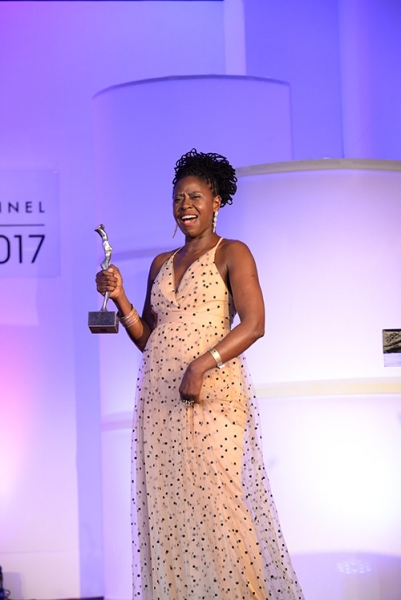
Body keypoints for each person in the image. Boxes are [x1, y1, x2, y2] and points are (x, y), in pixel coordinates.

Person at [96, 149, 304, 600]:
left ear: (216, 202)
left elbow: (254, 324)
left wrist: (201, 364)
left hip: (211, 394)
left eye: (195, 196)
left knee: (220, 508)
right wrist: (121, 298)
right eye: (178, 198)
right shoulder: (160, 263)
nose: (185, 206)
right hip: (159, 399)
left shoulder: (233, 252)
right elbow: (149, 338)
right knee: (171, 514)